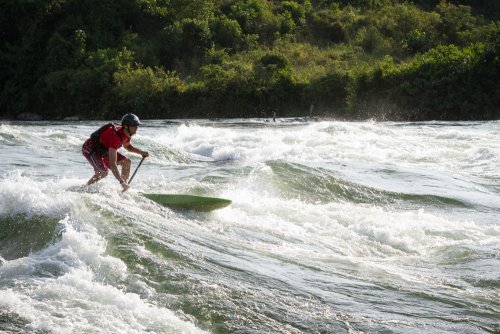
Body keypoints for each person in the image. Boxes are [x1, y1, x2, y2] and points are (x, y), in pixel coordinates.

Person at [82, 113, 149, 191]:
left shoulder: (126, 133)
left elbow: (127, 146)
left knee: (126, 162)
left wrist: (141, 152)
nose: (137, 128)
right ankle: (84, 189)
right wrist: (121, 181)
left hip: (104, 149)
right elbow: (112, 164)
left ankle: (124, 188)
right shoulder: (115, 137)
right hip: (90, 148)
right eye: (134, 126)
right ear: (126, 126)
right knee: (103, 172)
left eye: (137, 125)